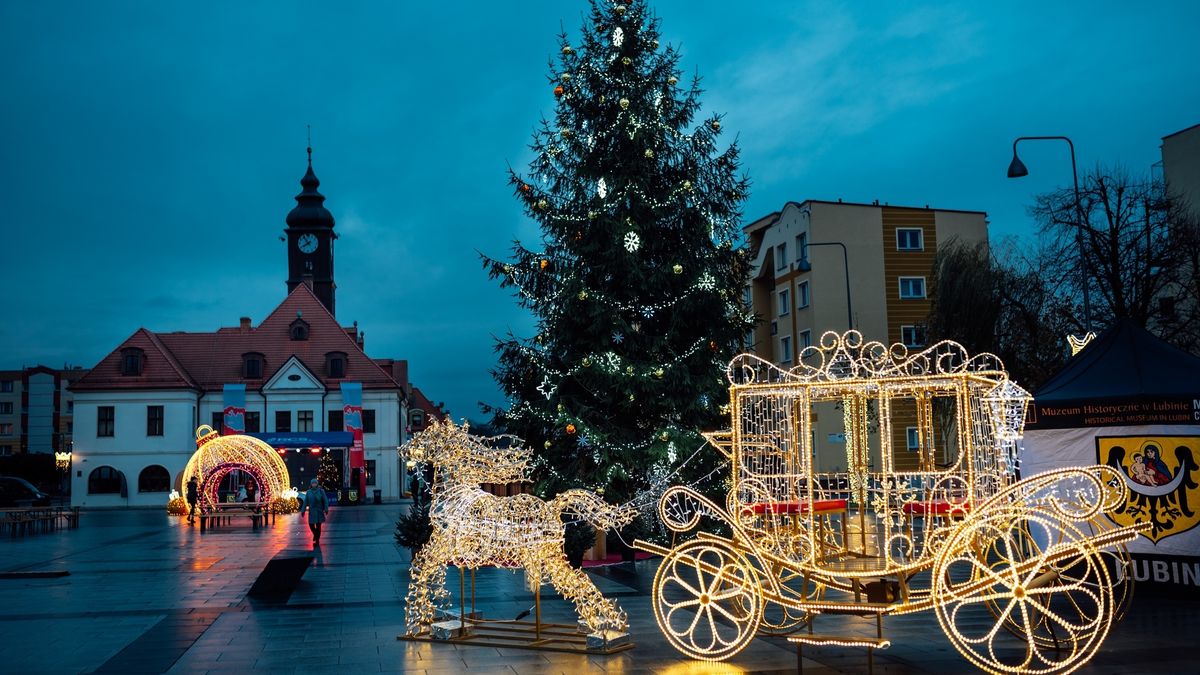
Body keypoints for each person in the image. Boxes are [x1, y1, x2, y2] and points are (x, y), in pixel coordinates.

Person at [300, 478, 329, 544]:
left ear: (317, 484)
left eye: (315, 483)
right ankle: (315, 535)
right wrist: (303, 510)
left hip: (319, 511)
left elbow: (325, 500)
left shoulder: (321, 491)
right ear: (311, 484)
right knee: (311, 525)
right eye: (313, 483)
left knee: (318, 526)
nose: (314, 484)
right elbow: (305, 502)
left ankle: (317, 540)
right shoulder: (308, 492)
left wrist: (326, 509)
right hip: (312, 511)